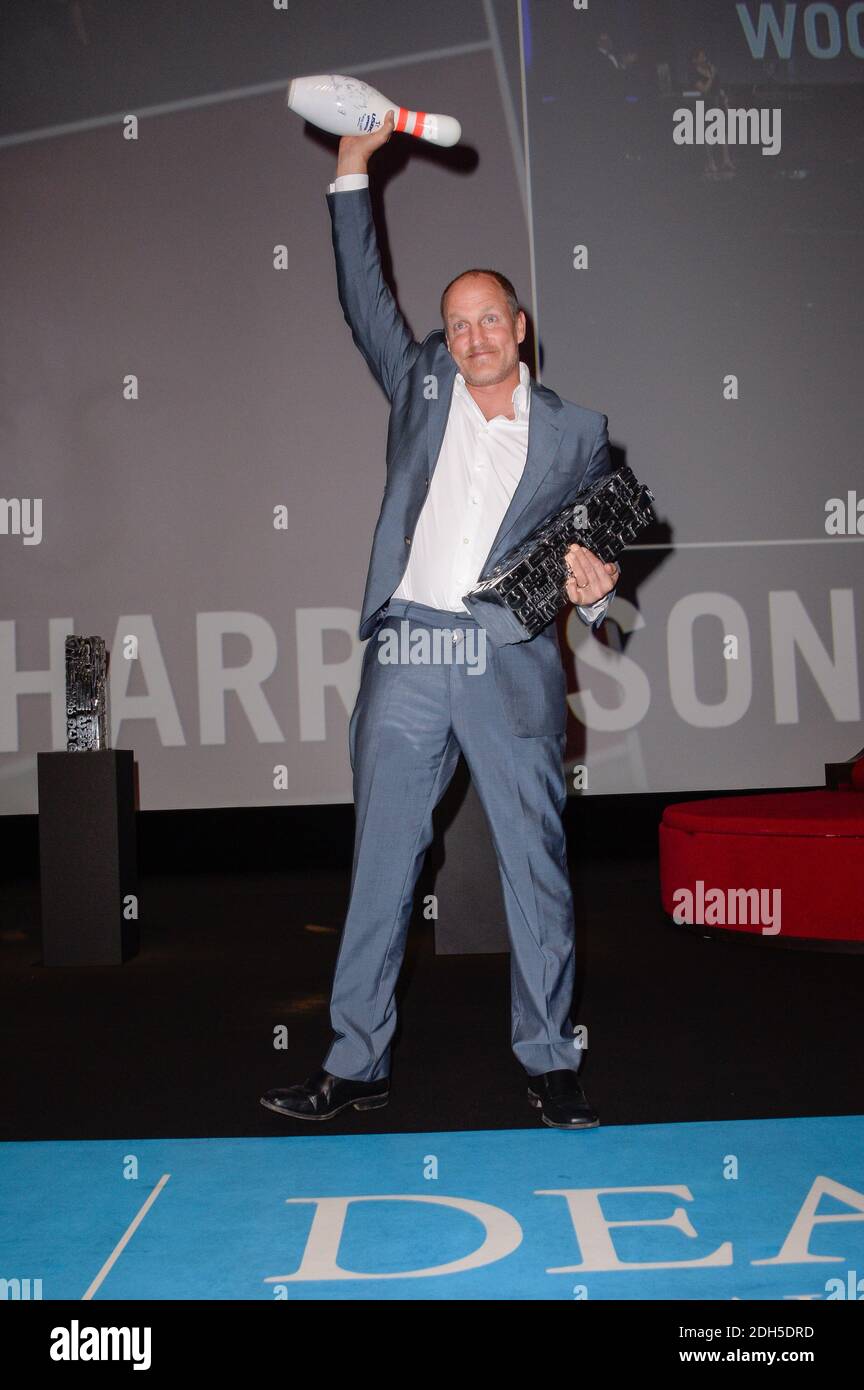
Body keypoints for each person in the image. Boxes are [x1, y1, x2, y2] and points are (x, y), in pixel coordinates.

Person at [260, 110, 619, 1130]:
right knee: (382, 859)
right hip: (410, 650)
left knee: (535, 864)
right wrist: (351, 167)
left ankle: (552, 1060)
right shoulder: (419, 384)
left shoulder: (579, 437)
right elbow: (360, 292)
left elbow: (604, 564)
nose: (469, 336)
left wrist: (598, 598)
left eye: (487, 320)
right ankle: (354, 1060)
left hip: (508, 662)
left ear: (521, 327)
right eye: (455, 323)